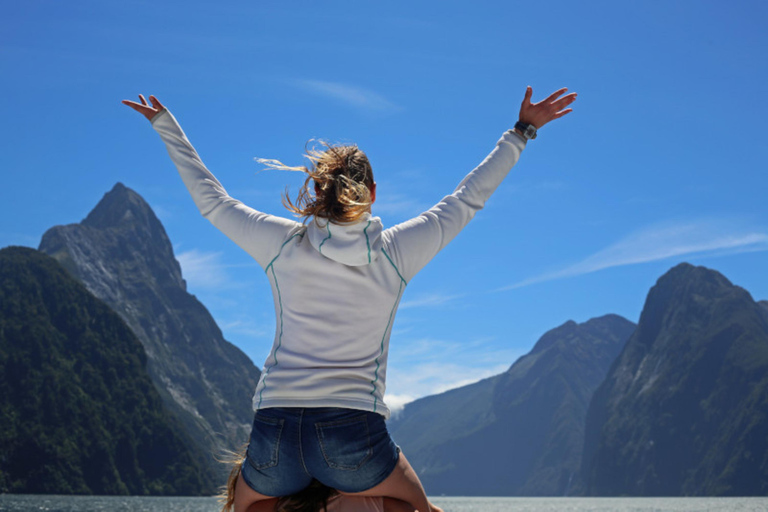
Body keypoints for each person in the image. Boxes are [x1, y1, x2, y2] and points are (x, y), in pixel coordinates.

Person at [123, 85, 576, 512]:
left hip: (274, 436)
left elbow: (212, 201)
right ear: (373, 194)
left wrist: (165, 123)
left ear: (318, 192)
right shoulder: (396, 252)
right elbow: (468, 198)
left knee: (241, 505)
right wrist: (521, 132)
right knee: (422, 508)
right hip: (353, 439)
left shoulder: (281, 243)